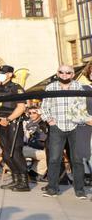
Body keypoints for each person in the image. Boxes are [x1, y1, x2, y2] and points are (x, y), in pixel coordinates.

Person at [39, 64, 92, 198]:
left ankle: (80, 191)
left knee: (77, 160)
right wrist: (49, 120)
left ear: (73, 74)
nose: (65, 74)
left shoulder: (78, 87)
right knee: (54, 159)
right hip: (57, 127)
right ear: (57, 73)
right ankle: (52, 189)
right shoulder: (51, 87)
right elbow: (44, 106)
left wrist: (84, 120)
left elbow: (81, 108)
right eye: (61, 72)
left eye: (68, 73)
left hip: (75, 127)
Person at [0, 65, 29, 191]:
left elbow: (21, 107)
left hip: (13, 123)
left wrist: (8, 119)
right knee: (6, 153)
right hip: (0, 123)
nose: (0, 74)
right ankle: (15, 179)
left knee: (15, 152)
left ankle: (24, 182)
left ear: (9, 74)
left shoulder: (16, 88)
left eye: (2, 72)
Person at [22, 107, 49, 182]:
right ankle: (34, 175)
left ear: (39, 113)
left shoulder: (42, 123)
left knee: (45, 154)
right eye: (30, 113)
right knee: (47, 156)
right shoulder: (30, 124)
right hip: (25, 147)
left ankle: (32, 174)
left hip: (31, 147)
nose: (31, 115)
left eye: (34, 113)